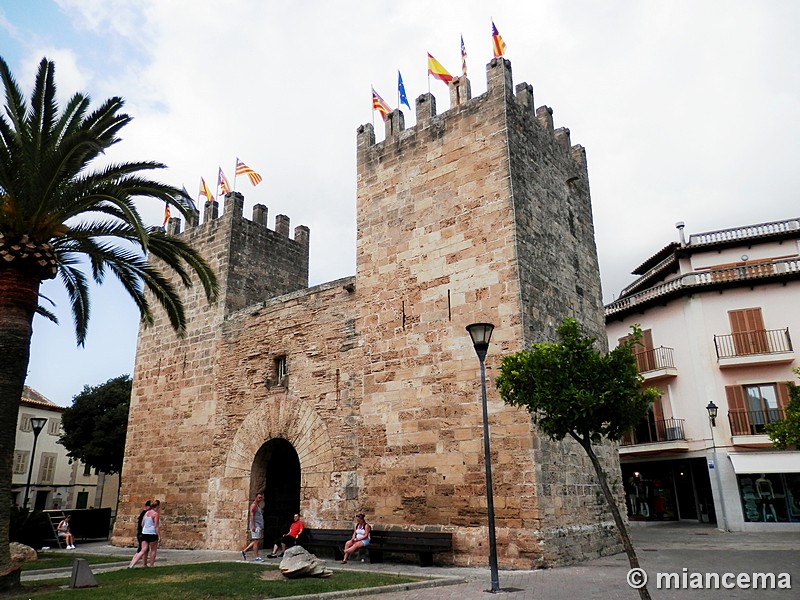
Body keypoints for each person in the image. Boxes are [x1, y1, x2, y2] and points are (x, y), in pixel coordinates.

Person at [129, 500, 160, 568]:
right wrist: (158, 535)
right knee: (153, 550)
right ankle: (151, 565)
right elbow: (156, 526)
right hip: (152, 533)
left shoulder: (146, 513)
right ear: (157, 506)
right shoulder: (155, 514)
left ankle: (132, 564)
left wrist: (145, 529)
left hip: (144, 533)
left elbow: (142, 524)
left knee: (143, 550)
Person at [240, 492, 265, 562]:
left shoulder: (257, 505)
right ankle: (257, 557)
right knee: (256, 541)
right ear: (256, 498)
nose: (260, 499)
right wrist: (253, 526)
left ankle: (244, 551)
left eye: (261, 498)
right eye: (259, 497)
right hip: (255, 526)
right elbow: (251, 515)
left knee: (256, 541)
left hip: (258, 525)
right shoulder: (254, 505)